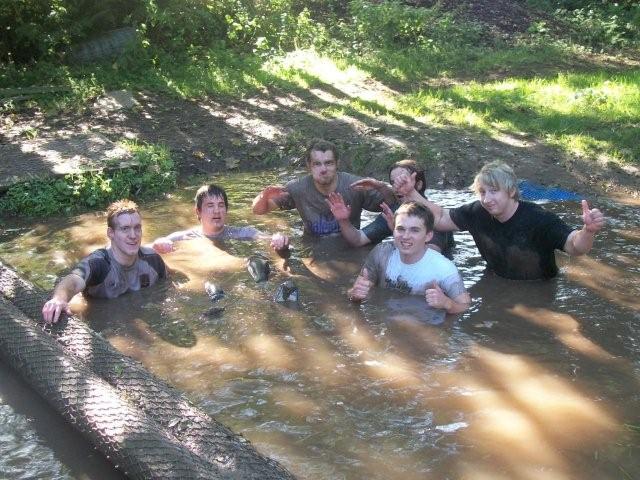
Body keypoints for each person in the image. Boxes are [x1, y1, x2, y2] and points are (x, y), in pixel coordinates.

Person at [422, 161, 606, 280]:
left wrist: (588, 231)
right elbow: (440, 218)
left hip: (540, 288)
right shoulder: (477, 212)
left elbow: (575, 247)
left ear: (511, 191)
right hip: (496, 281)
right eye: (482, 192)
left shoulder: (540, 219)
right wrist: (411, 193)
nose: (486, 199)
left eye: (494, 191)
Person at [42, 199, 167, 323]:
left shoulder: (152, 260)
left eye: (137, 228)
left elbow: (171, 279)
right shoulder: (99, 264)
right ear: (111, 233)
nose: (133, 235)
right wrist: (59, 299)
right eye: (125, 228)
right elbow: (73, 280)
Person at [348, 202, 470, 321]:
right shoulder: (381, 253)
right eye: (400, 229)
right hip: (386, 322)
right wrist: (354, 294)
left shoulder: (444, 269)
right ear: (393, 230)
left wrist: (447, 303)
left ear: (428, 236)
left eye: (414, 230)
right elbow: (354, 292)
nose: (406, 236)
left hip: (425, 326)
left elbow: (465, 306)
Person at [251, 138, 394, 236]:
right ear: (309, 165)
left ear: (337, 164)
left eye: (329, 163)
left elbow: (393, 206)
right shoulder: (297, 188)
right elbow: (258, 211)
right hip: (313, 246)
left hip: (350, 244)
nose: (323, 169)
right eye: (317, 164)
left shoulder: (355, 185)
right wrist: (264, 195)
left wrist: (382, 187)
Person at [326, 159, 455, 256]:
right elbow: (358, 239)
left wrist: (396, 231)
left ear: (419, 184)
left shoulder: (435, 217)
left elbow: (430, 258)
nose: (398, 187)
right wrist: (343, 220)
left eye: (403, 181)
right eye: (394, 183)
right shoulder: (395, 212)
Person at [152, 184, 289, 253]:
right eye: (210, 205)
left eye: (221, 205)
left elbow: (265, 238)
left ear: (226, 210)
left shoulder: (242, 233)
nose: (217, 210)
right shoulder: (182, 237)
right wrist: (157, 244)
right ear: (198, 211)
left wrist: (279, 239)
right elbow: (148, 249)